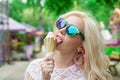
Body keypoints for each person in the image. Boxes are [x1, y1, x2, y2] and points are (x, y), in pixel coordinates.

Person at [24, 11, 112, 80]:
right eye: (61, 23)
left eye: (72, 30)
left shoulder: (86, 77)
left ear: (82, 46)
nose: (62, 30)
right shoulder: (34, 67)